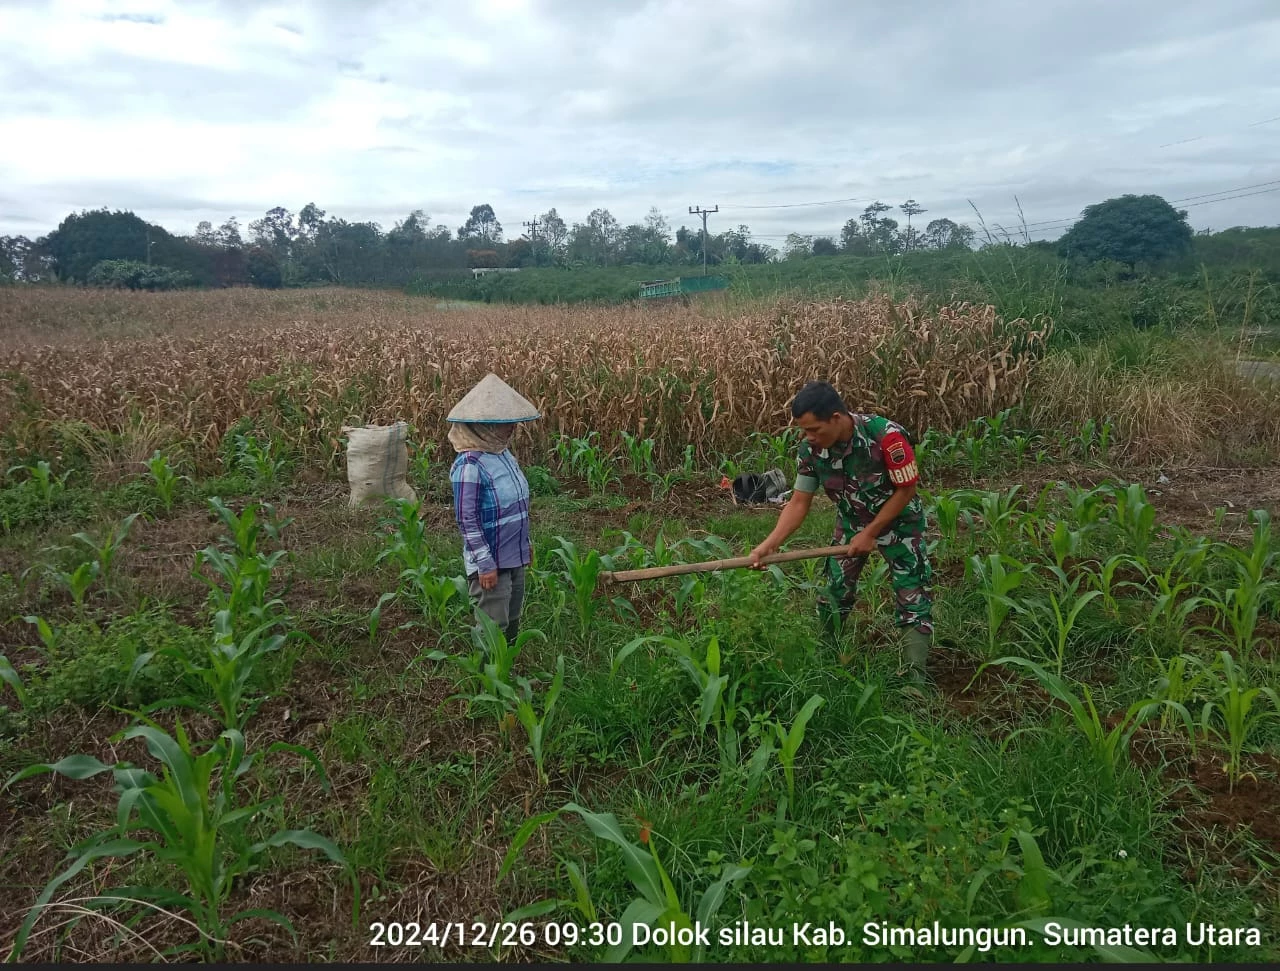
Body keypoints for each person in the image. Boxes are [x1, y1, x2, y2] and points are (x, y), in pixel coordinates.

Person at [748, 380, 935, 687]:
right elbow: (798, 503)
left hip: (900, 523)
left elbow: (906, 490)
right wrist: (769, 545)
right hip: (851, 522)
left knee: (911, 593)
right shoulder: (811, 449)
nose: (808, 437)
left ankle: (915, 682)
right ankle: (826, 665)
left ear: (837, 418)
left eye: (815, 429)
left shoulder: (887, 437)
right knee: (834, 591)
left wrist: (872, 533)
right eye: (804, 431)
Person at [447, 372, 541, 644]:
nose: (512, 428)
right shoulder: (469, 465)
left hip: (513, 555)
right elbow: (467, 520)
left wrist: (526, 544)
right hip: (491, 563)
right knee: (493, 628)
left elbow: (516, 506)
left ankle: (507, 677)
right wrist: (485, 564)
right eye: (504, 424)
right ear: (483, 426)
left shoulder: (502, 454)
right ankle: (490, 682)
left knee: (512, 621)